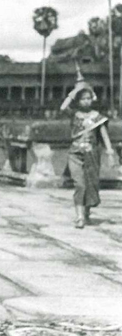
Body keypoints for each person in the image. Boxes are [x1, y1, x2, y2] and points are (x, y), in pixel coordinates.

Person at [60, 71, 116, 228]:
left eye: (88, 98)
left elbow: (104, 136)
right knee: (80, 184)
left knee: (91, 184)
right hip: (75, 153)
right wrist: (75, 91)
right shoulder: (74, 114)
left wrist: (110, 153)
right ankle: (79, 217)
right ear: (78, 100)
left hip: (92, 153)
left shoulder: (98, 117)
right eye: (83, 99)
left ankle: (86, 212)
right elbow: (63, 107)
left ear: (92, 99)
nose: (86, 101)